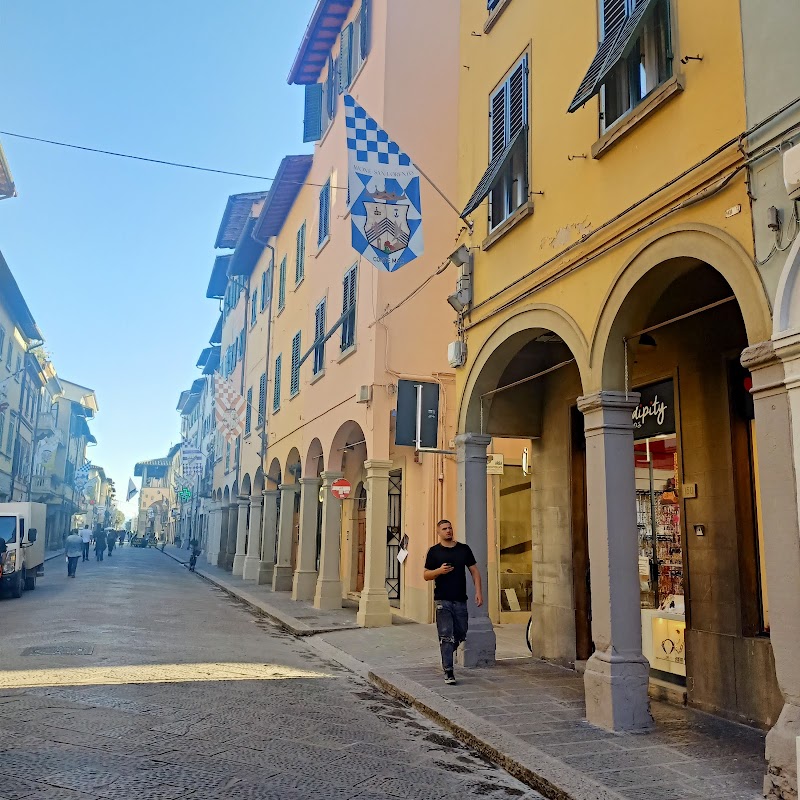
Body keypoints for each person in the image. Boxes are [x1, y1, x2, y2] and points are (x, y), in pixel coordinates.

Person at [423, 519, 483, 686]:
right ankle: (448, 670)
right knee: (446, 636)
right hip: (442, 599)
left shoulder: (463, 549)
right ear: (439, 532)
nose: (448, 531)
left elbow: (474, 571)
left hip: (460, 599)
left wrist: (478, 592)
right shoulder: (434, 552)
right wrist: (439, 571)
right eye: (444, 528)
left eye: (450, 528)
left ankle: (447, 653)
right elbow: (426, 575)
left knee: (461, 632)